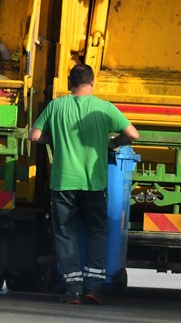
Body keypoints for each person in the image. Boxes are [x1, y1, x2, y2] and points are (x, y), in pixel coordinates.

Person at [30, 63, 139, 305]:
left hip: (63, 183)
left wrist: (54, 138)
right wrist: (112, 143)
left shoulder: (56, 106)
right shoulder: (104, 108)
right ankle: (94, 288)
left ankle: (73, 289)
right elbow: (133, 134)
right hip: (94, 183)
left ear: (70, 84)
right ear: (92, 83)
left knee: (66, 233)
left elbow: (34, 136)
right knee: (97, 232)